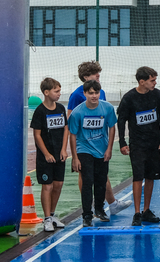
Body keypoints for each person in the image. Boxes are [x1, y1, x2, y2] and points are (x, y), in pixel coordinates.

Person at [67, 60, 131, 216]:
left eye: (98, 74)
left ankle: (108, 204)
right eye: (95, 74)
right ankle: (90, 206)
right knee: (86, 177)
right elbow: (71, 120)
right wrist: (74, 152)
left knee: (102, 177)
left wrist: (108, 146)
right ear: (85, 77)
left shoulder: (101, 93)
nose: (98, 76)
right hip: (84, 145)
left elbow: (106, 117)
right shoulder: (77, 96)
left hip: (100, 144)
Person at [117, 66, 160, 226]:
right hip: (137, 144)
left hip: (155, 143)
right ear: (142, 81)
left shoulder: (157, 95)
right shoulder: (129, 98)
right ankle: (137, 212)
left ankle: (146, 210)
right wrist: (122, 142)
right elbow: (121, 120)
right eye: (152, 80)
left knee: (151, 177)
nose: (155, 83)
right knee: (138, 176)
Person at [68, 79, 117, 227]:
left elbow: (112, 127)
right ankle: (87, 215)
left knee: (101, 181)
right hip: (84, 149)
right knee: (87, 182)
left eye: (96, 93)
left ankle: (99, 209)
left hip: (101, 150)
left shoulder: (107, 108)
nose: (94, 96)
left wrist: (109, 148)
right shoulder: (77, 112)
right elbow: (72, 134)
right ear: (85, 94)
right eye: (90, 93)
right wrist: (75, 157)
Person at [30, 77, 69, 232]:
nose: (59, 94)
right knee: (48, 185)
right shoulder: (40, 111)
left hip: (59, 154)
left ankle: (52, 215)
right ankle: (46, 218)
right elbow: (37, 135)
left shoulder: (60, 108)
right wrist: (46, 153)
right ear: (46, 92)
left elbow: (65, 129)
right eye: (56, 91)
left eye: (60, 91)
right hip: (45, 157)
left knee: (58, 185)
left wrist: (64, 149)